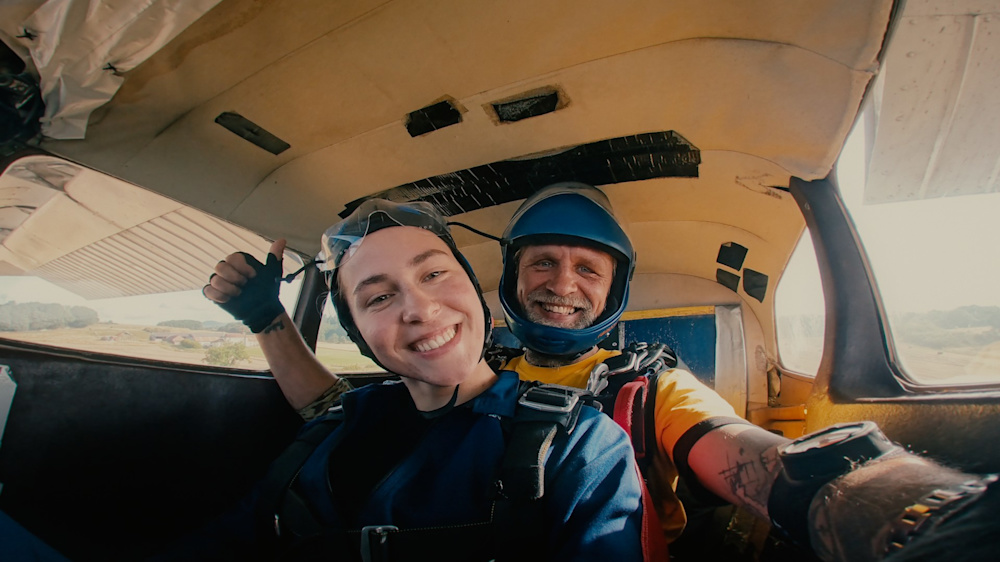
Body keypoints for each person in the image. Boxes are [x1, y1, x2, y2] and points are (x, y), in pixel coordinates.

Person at [204, 183, 994, 561]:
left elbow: (761, 462)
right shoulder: (469, 361)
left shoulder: (649, 386)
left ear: (617, 290)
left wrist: (908, 510)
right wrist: (270, 322)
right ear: (508, 280)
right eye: (542, 262)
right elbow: (338, 415)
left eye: (589, 270)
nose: (561, 283)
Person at [186, 198, 646, 560]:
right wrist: (267, 318)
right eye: (380, 297)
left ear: (475, 290)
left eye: (434, 273)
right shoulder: (334, 429)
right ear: (360, 336)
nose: (421, 310)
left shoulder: (580, 447)